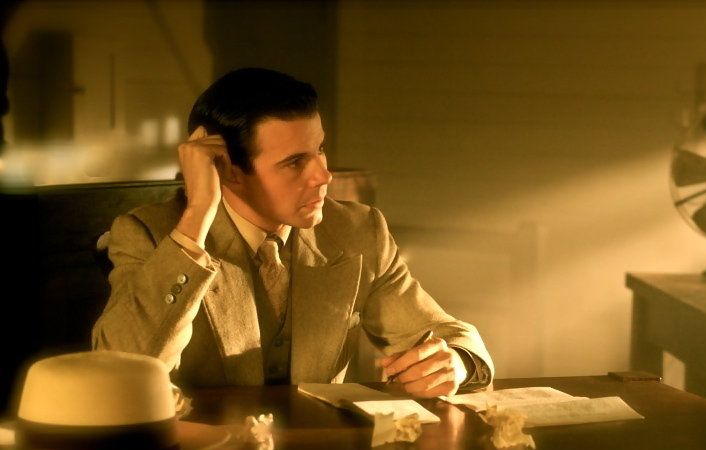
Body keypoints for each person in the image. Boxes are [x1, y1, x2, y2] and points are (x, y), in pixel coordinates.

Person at [92, 68, 492, 397]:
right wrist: (197, 216)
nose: (323, 175)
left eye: (320, 149)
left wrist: (455, 363)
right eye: (295, 162)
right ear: (226, 168)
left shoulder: (357, 230)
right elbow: (119, 374)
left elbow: (450, 336)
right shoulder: (151, 236)